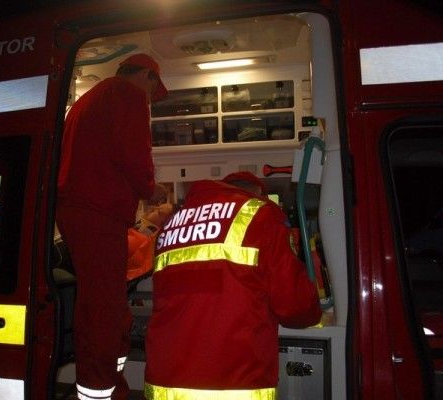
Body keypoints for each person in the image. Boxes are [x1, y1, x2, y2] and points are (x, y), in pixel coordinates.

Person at [144, 172, 322, 400]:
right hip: (232, 382)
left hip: (164, 383)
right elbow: (295, 305)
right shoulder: (260, 214)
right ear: (256, 194)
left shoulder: (172, 224)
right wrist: (314, 307)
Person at [56, 53, 168, 400]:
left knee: (102, 302)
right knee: (103, 307)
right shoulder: (128, 94)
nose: (150, 98)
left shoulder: (90, 98)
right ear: (146, 75)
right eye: (153, 90)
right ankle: (101, 390)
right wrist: (151, 190)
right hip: (97, 212)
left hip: (80, 210)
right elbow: (134, 153)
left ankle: (107, 379)